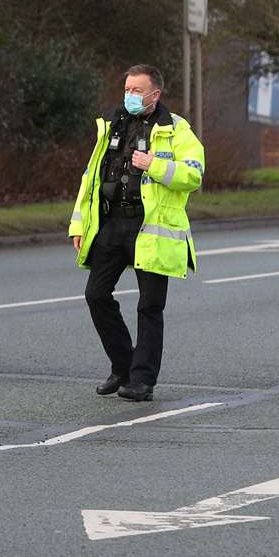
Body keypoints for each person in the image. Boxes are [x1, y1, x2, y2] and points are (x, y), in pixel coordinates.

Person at [67, 64, 204, 402]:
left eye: (137, 90)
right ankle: (123, 366)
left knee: (149, 306)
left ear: (155, 94)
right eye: (127, 89)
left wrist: (154, 166)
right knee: (96, 295)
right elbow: (91, 178)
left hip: (151, 228)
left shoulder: (176, 130)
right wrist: (77, 223)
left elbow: (194, 174)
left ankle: (142, 380)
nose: (129, 96)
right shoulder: (111, 124)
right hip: (112, 224)